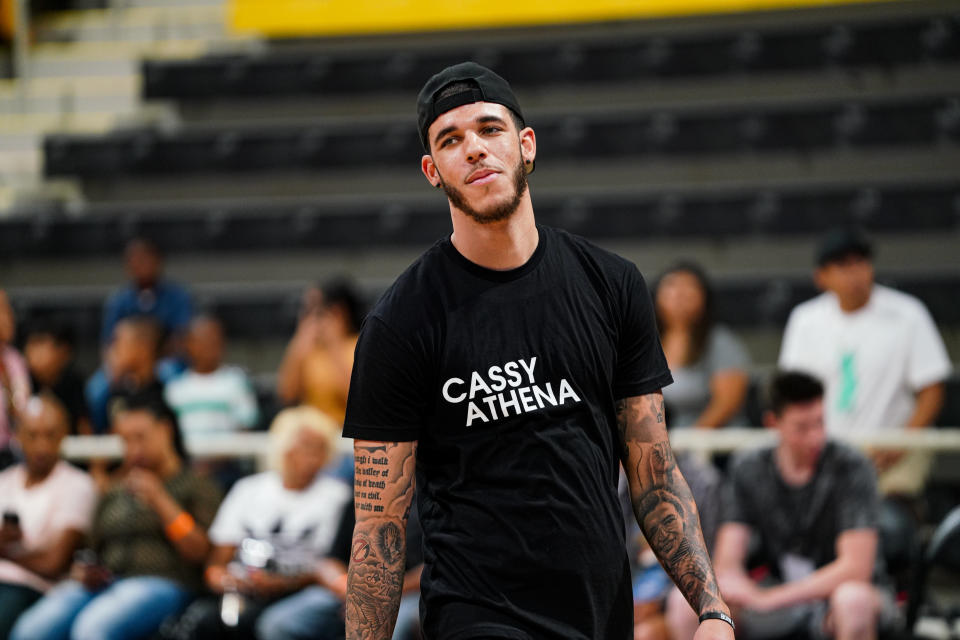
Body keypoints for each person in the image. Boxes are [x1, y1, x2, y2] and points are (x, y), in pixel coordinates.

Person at [342, 62, 732, 640]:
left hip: (600, 607)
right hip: (479, 613)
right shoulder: (400, 323)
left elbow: (653, 472)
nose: (473, 149)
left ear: (526, 146)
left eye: (489, 129)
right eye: (450, 140)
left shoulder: (612, 283)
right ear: (432, 170)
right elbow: (379, 529)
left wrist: (712, 609)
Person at [671, 371, 898, 640]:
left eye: (820, 423)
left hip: (836, 594)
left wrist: (772, 598)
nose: (816, 437)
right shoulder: (749, 467)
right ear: (773, 423)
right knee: (687, 601)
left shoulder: (852, 466)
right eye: (802, 427)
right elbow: (729, 557)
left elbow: (855, 567)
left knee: (853, 601)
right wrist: (737, 583)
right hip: (773, 585)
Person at [10, 391, 221, 640]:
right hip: (105, 585)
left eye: (140, 438)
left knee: (93, 628)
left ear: (165, 430)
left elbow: (201, 552)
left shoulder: (194, 484)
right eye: (126, 441)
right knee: (31, 630)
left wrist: (160, 500)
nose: (133, 450)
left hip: (164, 582)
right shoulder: (116, 489)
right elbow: (90, 548)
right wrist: (83, 570)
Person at [778, 227, 952, 495]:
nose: (854, 272)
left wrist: (902, 443)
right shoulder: (805, 320)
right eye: (842, 265)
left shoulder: (908, 314)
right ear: (821, 277)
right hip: (823, 451)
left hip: (893, 450)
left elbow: (932, 389)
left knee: (891, 523)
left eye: (860, 262)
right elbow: (793, 395)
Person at [168, 406, 350, 640]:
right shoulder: (249, 489)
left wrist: (283, 583)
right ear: (283, 447)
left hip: (303, 590)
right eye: (304, 446)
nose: (312, 457)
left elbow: (334, 565)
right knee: (204, 620)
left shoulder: (338, 497)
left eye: (320, 448)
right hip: (245, 590)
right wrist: (231, 582)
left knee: (274, 625)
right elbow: (216, 564)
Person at [0, 394, 97, 639]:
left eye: (50, 435)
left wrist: (5, 550)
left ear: (63, 435)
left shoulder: (78, 484)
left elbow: (54, 563)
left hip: (31, 588)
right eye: (33, 435)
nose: (42, 446)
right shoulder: (4, 481)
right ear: (19, 437)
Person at [654, 262, 751, 429]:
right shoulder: (646, 342)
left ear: (704, 297)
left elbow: (727, 403)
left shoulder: (721, 341)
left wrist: (690, 440)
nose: (679, 296)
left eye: (689, 289)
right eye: (671, 287)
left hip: (714, 443)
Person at [276, 278, 364, 425]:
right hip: (310, 430)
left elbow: (358, 400)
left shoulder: (359, 345)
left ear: (338, 312)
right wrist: (299, 344)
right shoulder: (308, 348)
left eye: (318, 311)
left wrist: (334, 346)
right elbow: (286, 396)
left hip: (343, 431)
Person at [164, 315, 259, 440]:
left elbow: (247, 426)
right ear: (188, 345)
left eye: (215, 340)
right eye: (203, 340)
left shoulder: (237, 382)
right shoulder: (175, 388)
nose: (209, 347)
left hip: (228, 457)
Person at [101, 237, 192, 350]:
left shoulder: (178, 297)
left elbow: (183, 336)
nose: (139, 265)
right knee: (105, 368)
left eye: (144, 259)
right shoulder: (118, 300)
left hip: (168, 358)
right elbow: (109, 342)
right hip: (128, 358)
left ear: (158, 261)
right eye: (134, 260)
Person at [85, 315, 166, 434]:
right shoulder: (113, 392)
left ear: (143, 348)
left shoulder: (167, 395)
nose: (112, 350)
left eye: (118, 341)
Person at [23, 321, 92, 436]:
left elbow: (84, 427)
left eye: (40, 344)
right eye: (30, 345)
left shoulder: (74, 383)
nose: (32, 352)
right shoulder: (22, 380)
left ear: (64, 351)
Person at [0, 290, 31, 466]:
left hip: (8, 453)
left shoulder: (14, 360)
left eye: (7, 310)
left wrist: (7, 382)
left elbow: (21, 411)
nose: (6, 318)